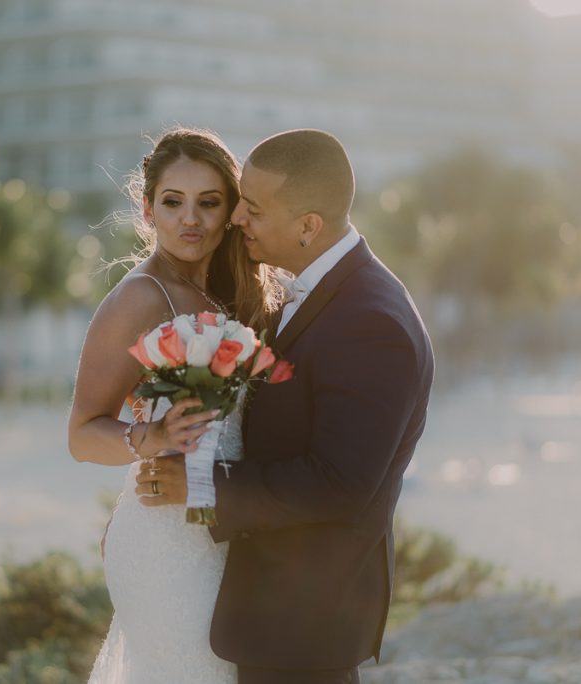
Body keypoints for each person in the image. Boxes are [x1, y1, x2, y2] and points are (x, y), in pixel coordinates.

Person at [140, 129, 435, 683]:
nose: (236, 219)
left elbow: (340, 484)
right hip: (277, 614)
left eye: (252, 209)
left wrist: (201, 486)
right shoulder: (319, 293)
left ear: (308, 226)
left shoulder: (370, 322)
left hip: (306, 623)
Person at [69, 127, 282, 683]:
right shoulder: (139, 298)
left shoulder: (231, 294)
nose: (191, 219)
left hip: (225, 532)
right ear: (148, 210)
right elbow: (82, 434)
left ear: (231, 211)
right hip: (164, 544)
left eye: (208, 202)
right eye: (172, 202)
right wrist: (152, 439)